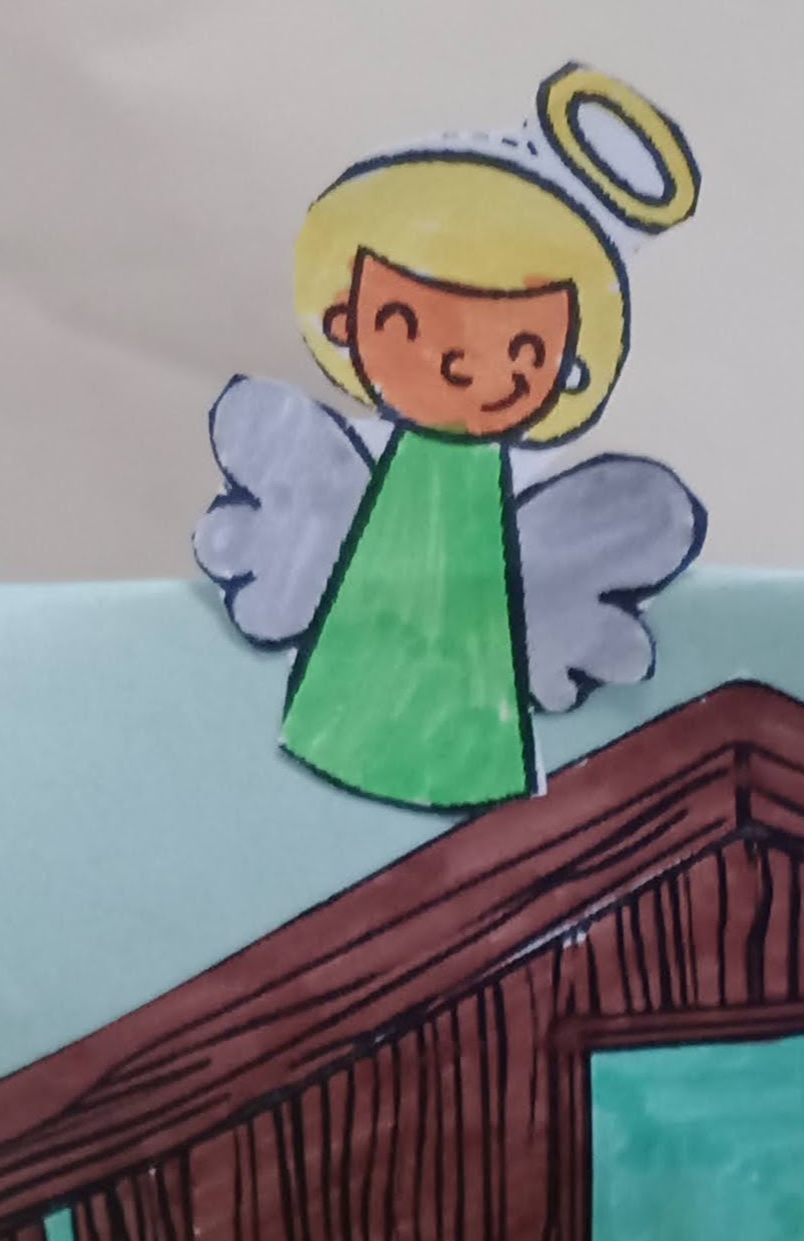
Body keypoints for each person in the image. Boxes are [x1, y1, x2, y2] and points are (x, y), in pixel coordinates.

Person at [195, 67, 706, 810]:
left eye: (522, 350)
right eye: (407, 324)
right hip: (338, 726)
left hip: (473, 742)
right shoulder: (368, 476)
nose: (466, 365)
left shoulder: (495, 500)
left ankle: (450, 763)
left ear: (566, 370)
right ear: (344, 321)